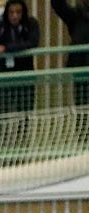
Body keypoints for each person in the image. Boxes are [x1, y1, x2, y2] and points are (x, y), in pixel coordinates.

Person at [0, 1, 41, 145]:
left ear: (24, 13)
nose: (14, 16)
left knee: (24, 116)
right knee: (3, 117)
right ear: (6, 13)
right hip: (4, 78)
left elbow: (32, 43)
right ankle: (3, 151)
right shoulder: (1, 25)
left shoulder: (31, 23)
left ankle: (22, 148)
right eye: (11, 13)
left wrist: (5, 48)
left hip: (25, 77)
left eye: (18, 12)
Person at [53, 0, 89, 131]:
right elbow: (58, 5)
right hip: (81, 70)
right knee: (82, 108)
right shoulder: (75, 15)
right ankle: (83, 141)